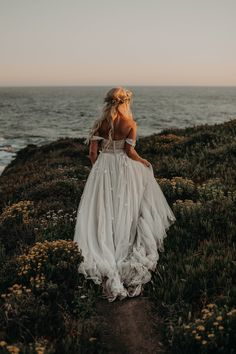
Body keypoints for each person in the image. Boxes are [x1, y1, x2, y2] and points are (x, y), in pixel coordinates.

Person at [73, 87, 176, 302]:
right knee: (124, 208)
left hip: (103, 168)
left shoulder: (99, 123)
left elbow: (92, 153)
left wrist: (97, 168)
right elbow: (130, 153)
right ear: (125, 102)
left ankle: (102, 245)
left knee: (101, 208)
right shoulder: (130, 124)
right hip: (122, 168)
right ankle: (122, 245)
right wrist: (143, 162)